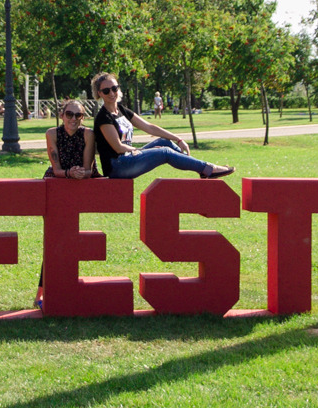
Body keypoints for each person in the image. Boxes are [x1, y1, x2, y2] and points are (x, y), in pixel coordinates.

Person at [91, 72, 233, 179]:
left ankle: (202, 168)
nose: (112, 93)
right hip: (118, 166)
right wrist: (141, 151)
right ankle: (208, 169)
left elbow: (149, 127)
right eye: (106, 91)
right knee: (164, 152)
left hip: (129, 158)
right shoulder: (104, 117)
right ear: (99, 94)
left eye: (114, 88)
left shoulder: (121, 110)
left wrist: (178, 139)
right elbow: (118, 147)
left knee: (164, 142)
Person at [35, 99, 98, 308]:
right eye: (69, 114)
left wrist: (81, 173)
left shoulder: (88, 134)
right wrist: (70, 173)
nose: (73, 119)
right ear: (62, 115)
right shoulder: (52, 134)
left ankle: (67, 290)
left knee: (70, 241)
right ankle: (41, 294)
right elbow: (56, 168)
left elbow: (89, 169)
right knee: (54, 239)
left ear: (83, 117)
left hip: (80, 184)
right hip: (58, 183)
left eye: (78, 115)